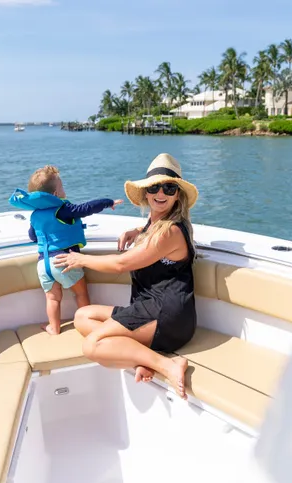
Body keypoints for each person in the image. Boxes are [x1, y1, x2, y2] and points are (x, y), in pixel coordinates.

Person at [53, 153, 197, 399]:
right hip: (149, 307)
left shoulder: (170, 231)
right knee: (82, 316)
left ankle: (167, 365)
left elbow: (121, 264)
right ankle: (139, 356)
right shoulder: (155, 225)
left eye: (169, 187)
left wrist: (80, 259)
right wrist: (135, 231)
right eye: (154, 187)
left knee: (92, 345)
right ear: (146, 193)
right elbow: (149, 235)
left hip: (169, 317)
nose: (160, 193)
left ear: (177, 194)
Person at [9, 165, 123, 335]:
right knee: (81, 293)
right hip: (64, 260)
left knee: (53, 298)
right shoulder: (62, 210)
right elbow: (86, 208)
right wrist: (108, 202)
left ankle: (53, 328)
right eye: (62, 187)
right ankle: (89, 325)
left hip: (44, 265)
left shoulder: (35, 216)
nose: (64, 190)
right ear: (55, 194)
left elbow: (33, 237)